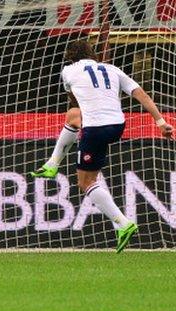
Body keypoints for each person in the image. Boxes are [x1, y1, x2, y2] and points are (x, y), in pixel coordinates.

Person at [30, 40, 173, 253]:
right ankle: (52, 164)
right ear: (93, 54)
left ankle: (123, 223)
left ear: (70, 57)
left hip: (95, 128)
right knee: (72, 117)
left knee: (86, 182)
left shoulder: (68, 71)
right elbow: (140, 93)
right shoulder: (112, 69)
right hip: (117, 125)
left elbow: (74, 100)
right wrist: (161, 122)